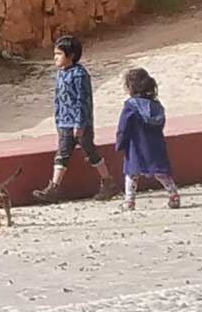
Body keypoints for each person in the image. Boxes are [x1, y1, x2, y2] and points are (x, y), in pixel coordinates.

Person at [33, 35, 119, 203]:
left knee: (90, 153)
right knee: (61, 155)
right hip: (64, 122)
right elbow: (58, 99)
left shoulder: (79, 75)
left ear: (70, 55)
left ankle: (108, 182)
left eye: (59, 54)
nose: (55, 58)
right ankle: (53, 188)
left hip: (80, 124)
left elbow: (82, 101)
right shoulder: (60, 74)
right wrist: (58, 120)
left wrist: (79, 123)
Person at [115, 68, 180, 211]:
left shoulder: (130, 106)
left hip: (136, 145)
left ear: (131, 87)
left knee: (132, 174)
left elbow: (123, 127)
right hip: (155, 144)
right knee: (161, 173)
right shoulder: (156, 105)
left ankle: (129, 202)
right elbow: (161, 123)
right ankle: (173, 194)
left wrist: (120, 143)